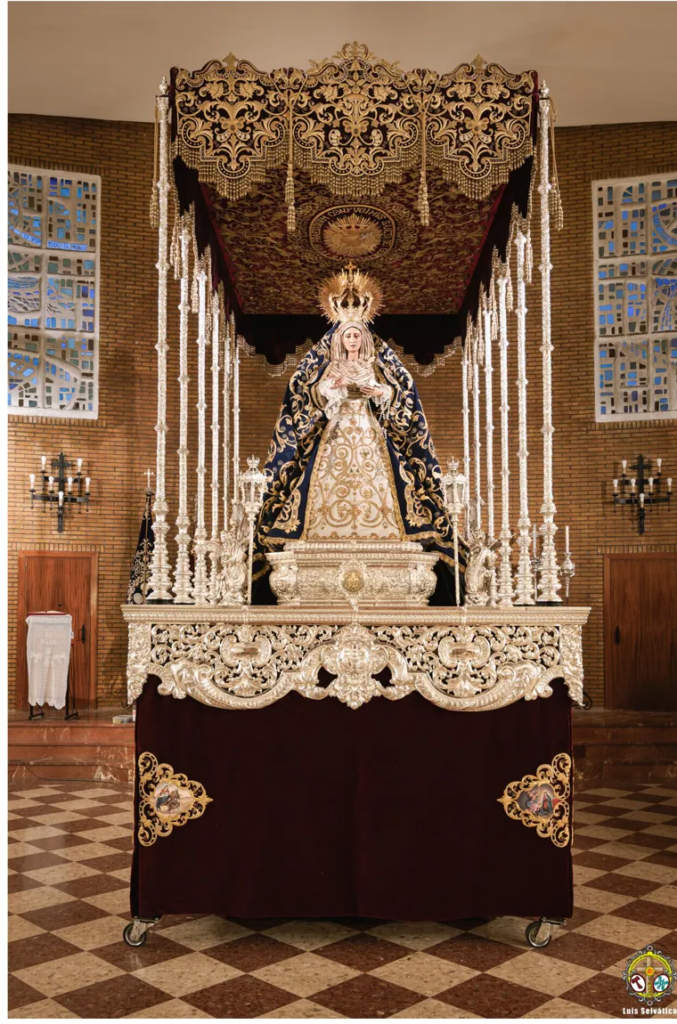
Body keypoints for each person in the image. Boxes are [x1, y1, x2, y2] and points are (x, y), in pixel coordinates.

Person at [251, 267, 466, 604]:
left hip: (369, 432)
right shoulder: (331, 366)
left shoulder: (375, 365)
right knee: (324, 480)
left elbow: (399, 393)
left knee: (380, 481)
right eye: (347, 336)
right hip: (336, 433)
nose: (351, 340)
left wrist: (379, 391)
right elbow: (313, 397)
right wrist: (331, 389)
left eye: (355, 335)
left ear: (363, 339)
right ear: (339, 339)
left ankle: (387, 536)